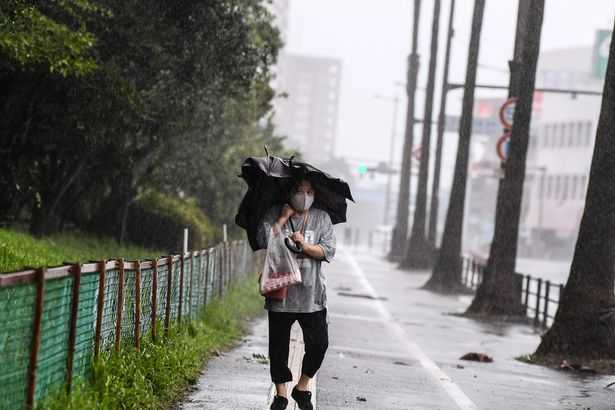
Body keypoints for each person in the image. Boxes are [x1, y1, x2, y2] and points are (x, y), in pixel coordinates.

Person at [257, 177, 336, 410]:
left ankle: (302, 388)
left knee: (319, 344)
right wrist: (282, 219)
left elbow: (328, 250)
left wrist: (304, 246)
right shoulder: (274, 213)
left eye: (309, 191)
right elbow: (264, 239)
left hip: (312, 294)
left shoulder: (322, 218)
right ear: (290, 192)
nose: (304, 195)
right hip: (281, 291)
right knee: (278, 347)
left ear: (315, 194)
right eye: (299, 190)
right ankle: (281, 395)